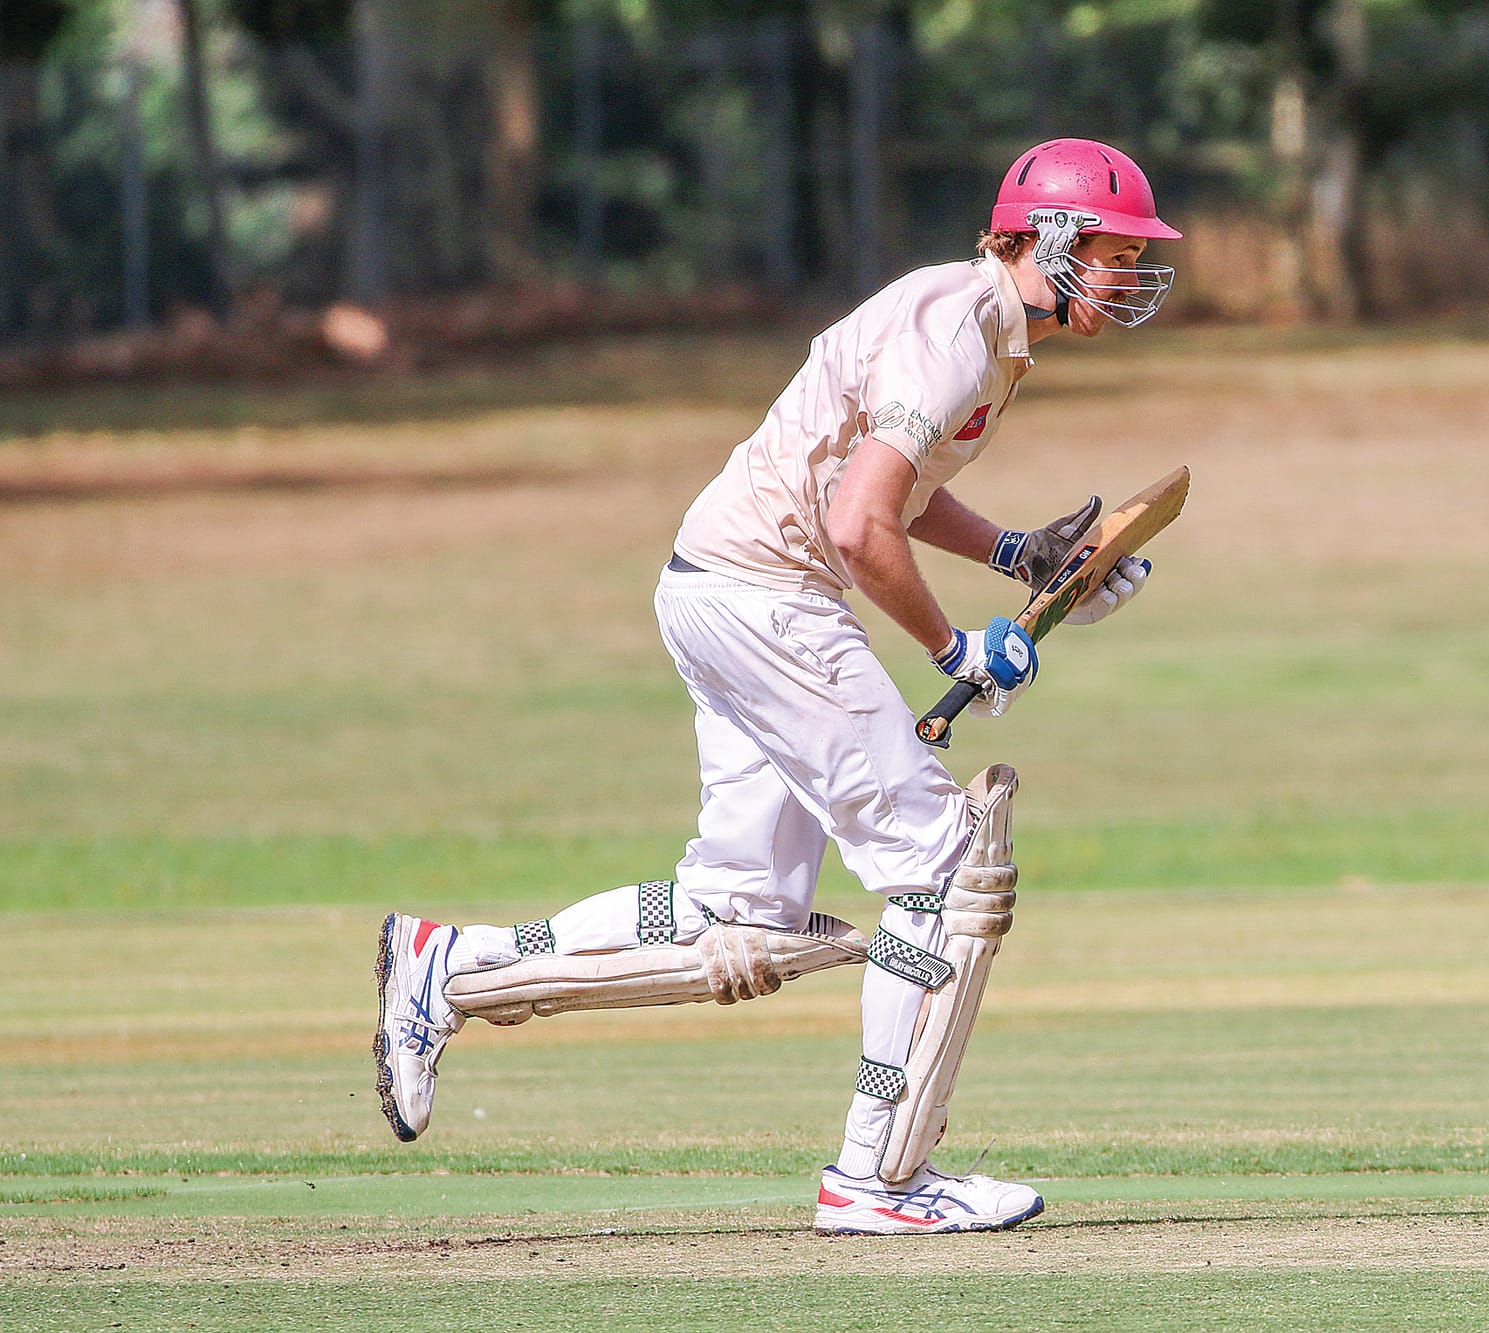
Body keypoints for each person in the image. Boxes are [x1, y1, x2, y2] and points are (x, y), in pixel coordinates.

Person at [373, 138, 1179, 1236]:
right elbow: (857, 526)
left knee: (737, 906)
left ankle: (449, 967)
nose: (1129, 275)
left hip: (716, 585)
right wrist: (955, 655)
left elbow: (882, 487)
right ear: (1045, 238)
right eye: (1116, 251)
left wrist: (1016, 556)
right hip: (767, 596)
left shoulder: (979, 331)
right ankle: (877, 1179)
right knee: (945, 867)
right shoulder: (954, 334)